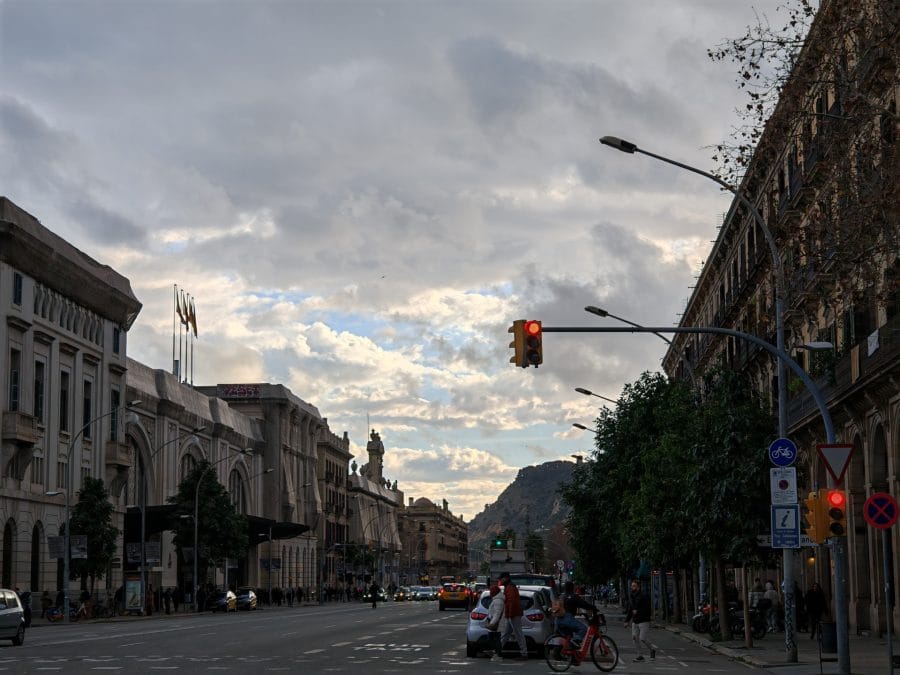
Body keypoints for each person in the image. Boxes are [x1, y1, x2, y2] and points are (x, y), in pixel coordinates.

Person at [497, 571, 528, 659]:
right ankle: (497, 651)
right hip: (511, 614)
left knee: (518, 634)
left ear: (506, 578)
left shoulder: (510, 587)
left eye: (501, 578)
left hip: (513, 614)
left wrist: (510, 614)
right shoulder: (509, 587)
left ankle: (524, 653)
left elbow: (511, 601)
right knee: (506, 633)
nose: (500, 580)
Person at [625, 579, 656, 662]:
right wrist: (627, 620)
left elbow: (647, 608)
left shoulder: (644, 595)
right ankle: (640, 656)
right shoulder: (632, 595)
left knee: (643, 638)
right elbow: (630, 609)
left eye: (634, 586)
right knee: (634, 638)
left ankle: (652, 649)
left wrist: (638, 611)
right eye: (631, 586)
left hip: (644, 620)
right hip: (635, 621)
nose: (632, 587)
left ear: (638, 587)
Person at [557, 581, 594, 650]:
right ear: (572, 588)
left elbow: (567, 607)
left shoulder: (561, 596)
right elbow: (584, 604)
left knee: (568, 637)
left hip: (558, 619)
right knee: (583, 629)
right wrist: (593, 608)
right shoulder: (574, 596)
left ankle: (571, 654)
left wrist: (581, 613)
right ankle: (575, 641)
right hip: (567, 618)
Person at [485, 584, 506, 662]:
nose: (490, 592)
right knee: (495, 638)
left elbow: (497, 613)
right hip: (496, 622)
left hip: (496, 623)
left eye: (491, 591)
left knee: (493, 638)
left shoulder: (498, 600)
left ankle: (498, 654)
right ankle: (497, 653)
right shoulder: (497, 599)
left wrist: (492, 623)